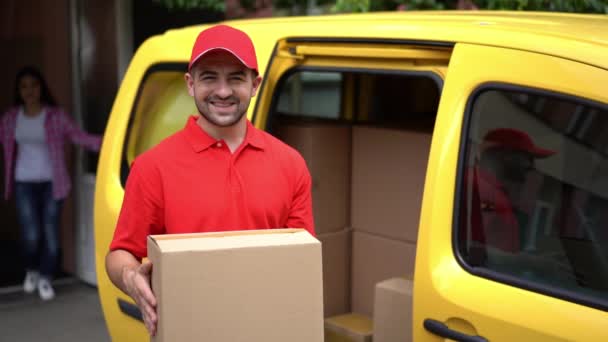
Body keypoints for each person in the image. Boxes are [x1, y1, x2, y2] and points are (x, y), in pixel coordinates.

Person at [105, 24, 314, 336]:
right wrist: (131, 277)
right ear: (190, 84)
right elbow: (120, 253)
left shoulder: (290, 164)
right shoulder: (153, 167)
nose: (223, 91)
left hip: (267, 328)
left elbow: (301, 260)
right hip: (187, 328)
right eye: (209, 77)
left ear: (255, 84)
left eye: (235, 78)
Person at [0, 66, 102, 300]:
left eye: (34, 86)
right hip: (23, 183)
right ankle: (32, 270)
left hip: (52, 184)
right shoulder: (11, 118)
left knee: (51, 236)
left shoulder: (55, 116)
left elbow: (79, 137)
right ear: (18, 91)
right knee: (31, 235)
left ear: (41, 88)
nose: (30, 91)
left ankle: (46, 277)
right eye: (24, 86)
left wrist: (109, 141)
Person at [460, 127, 555, 264]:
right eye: (528, 158)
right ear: (507, 156)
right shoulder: (480, 190)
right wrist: (531, 263)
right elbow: (469, 250)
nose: (531, 166)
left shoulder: (488, 190)